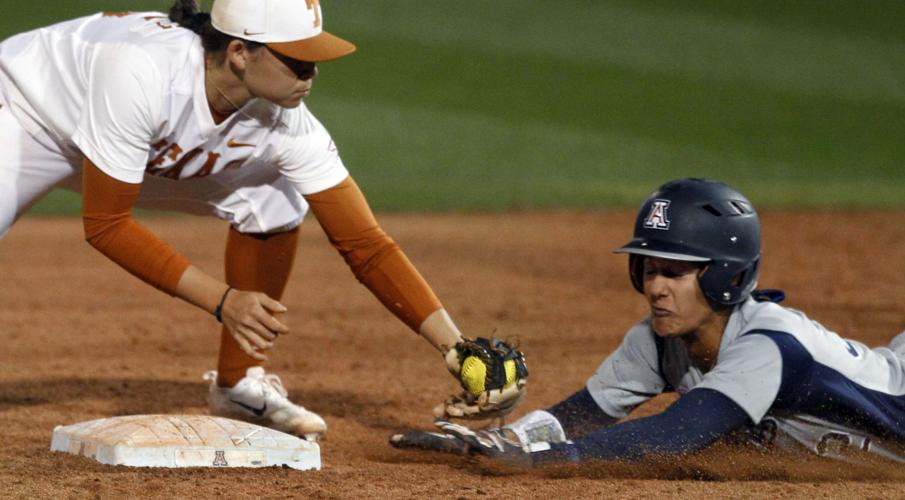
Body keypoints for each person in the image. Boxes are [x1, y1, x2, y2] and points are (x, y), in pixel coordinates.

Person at [0, 0, 526, 441]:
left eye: (314, 61)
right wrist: (224, 300)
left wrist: (453, 346)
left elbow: (364, 242)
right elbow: (106, 224)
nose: (312, 74)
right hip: (27, 115)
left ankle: (237, 387)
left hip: (139, 143)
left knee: (274, 196)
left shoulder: (287, 124)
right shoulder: (142, 73)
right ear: (238, 53)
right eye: (298, 61)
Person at [392, 178, 905, 466]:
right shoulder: (657, 339)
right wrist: (508, 439)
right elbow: (581, 417)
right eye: (649, 269)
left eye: (675, 273)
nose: (657, 287)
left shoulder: (770, 347)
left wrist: (548, 461)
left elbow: (677, 432)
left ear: (725, 276)